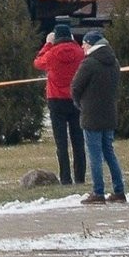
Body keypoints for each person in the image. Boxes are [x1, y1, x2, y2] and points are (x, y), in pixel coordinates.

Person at [71, 30, 126, 205]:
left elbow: (75, 87)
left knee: (94, 154)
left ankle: (98, 191)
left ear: (91, 44)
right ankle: (119, 190)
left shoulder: (89, 63)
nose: (82, 46)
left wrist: (79, 104)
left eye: (85, 43)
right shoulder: (114, 62)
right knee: (109, 152)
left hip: (91, 115)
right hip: (109, 113)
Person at [34, 23, 86, 185]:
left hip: (56, 100)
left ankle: (65, 178)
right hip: (76, 100)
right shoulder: (79, 52)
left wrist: (48, 44)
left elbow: (38, 63)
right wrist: (74, 43)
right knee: (78, 141)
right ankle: (80, 177)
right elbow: (83, 55)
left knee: (61, 143)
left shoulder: (52, 53)